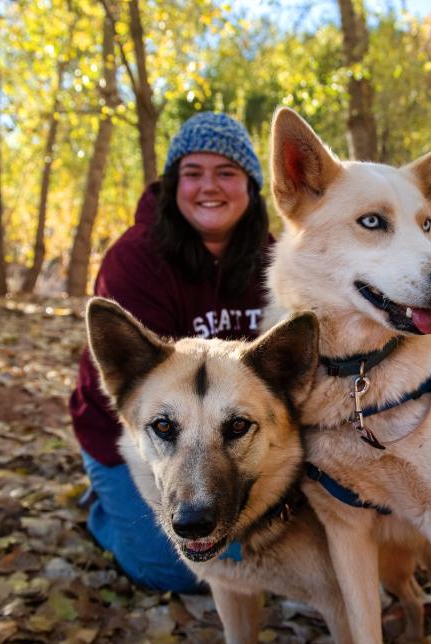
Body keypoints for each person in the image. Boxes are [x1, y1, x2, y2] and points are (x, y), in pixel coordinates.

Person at [69, 113, 271, 592]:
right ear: (172, 183)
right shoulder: (135, 260)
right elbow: (145, 399)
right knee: (174, 568)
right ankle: (104, 509)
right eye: (193, 172)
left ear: (251, 186)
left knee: (256, 548)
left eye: (227, 173)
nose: (209, 187)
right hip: (133, 435)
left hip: (230, 431)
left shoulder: (274, 261)